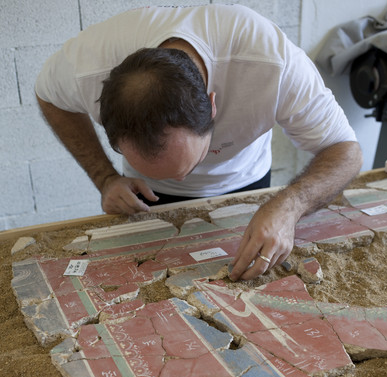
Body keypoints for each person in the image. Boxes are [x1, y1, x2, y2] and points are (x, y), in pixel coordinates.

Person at [35, 4, 362, 281]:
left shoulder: (271, 62)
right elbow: (49, 97)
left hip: (244, 184)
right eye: (167, 170)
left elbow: (346, 151)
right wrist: (104, 178)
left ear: (213, 105)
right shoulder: (89, 66)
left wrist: (290, 206)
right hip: (146, 197)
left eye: (187, 164)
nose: (182, 179)